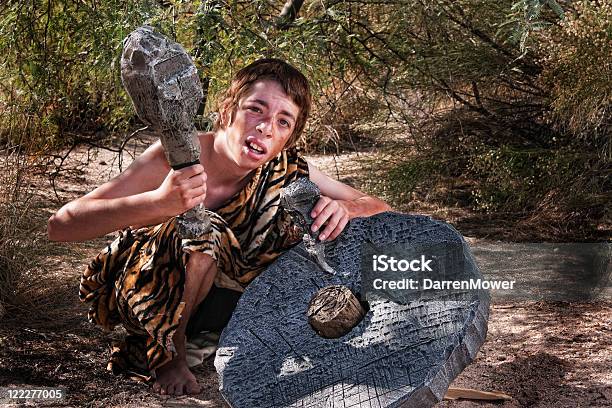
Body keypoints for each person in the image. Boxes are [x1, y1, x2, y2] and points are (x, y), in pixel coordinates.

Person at [47, 58, 391, 396]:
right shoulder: (175, 157)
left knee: (304, 220)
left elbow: (379, 207)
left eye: (283, 122)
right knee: (202, 227)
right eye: (256, 109)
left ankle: (231, 337)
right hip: (149, 294)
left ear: (288, 138)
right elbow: (61, 226)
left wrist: (346, 207)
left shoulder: (286, 168)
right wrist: (159, 203)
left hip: (223, 304)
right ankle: (171, 354)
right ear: (227, 110)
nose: (266, 127)